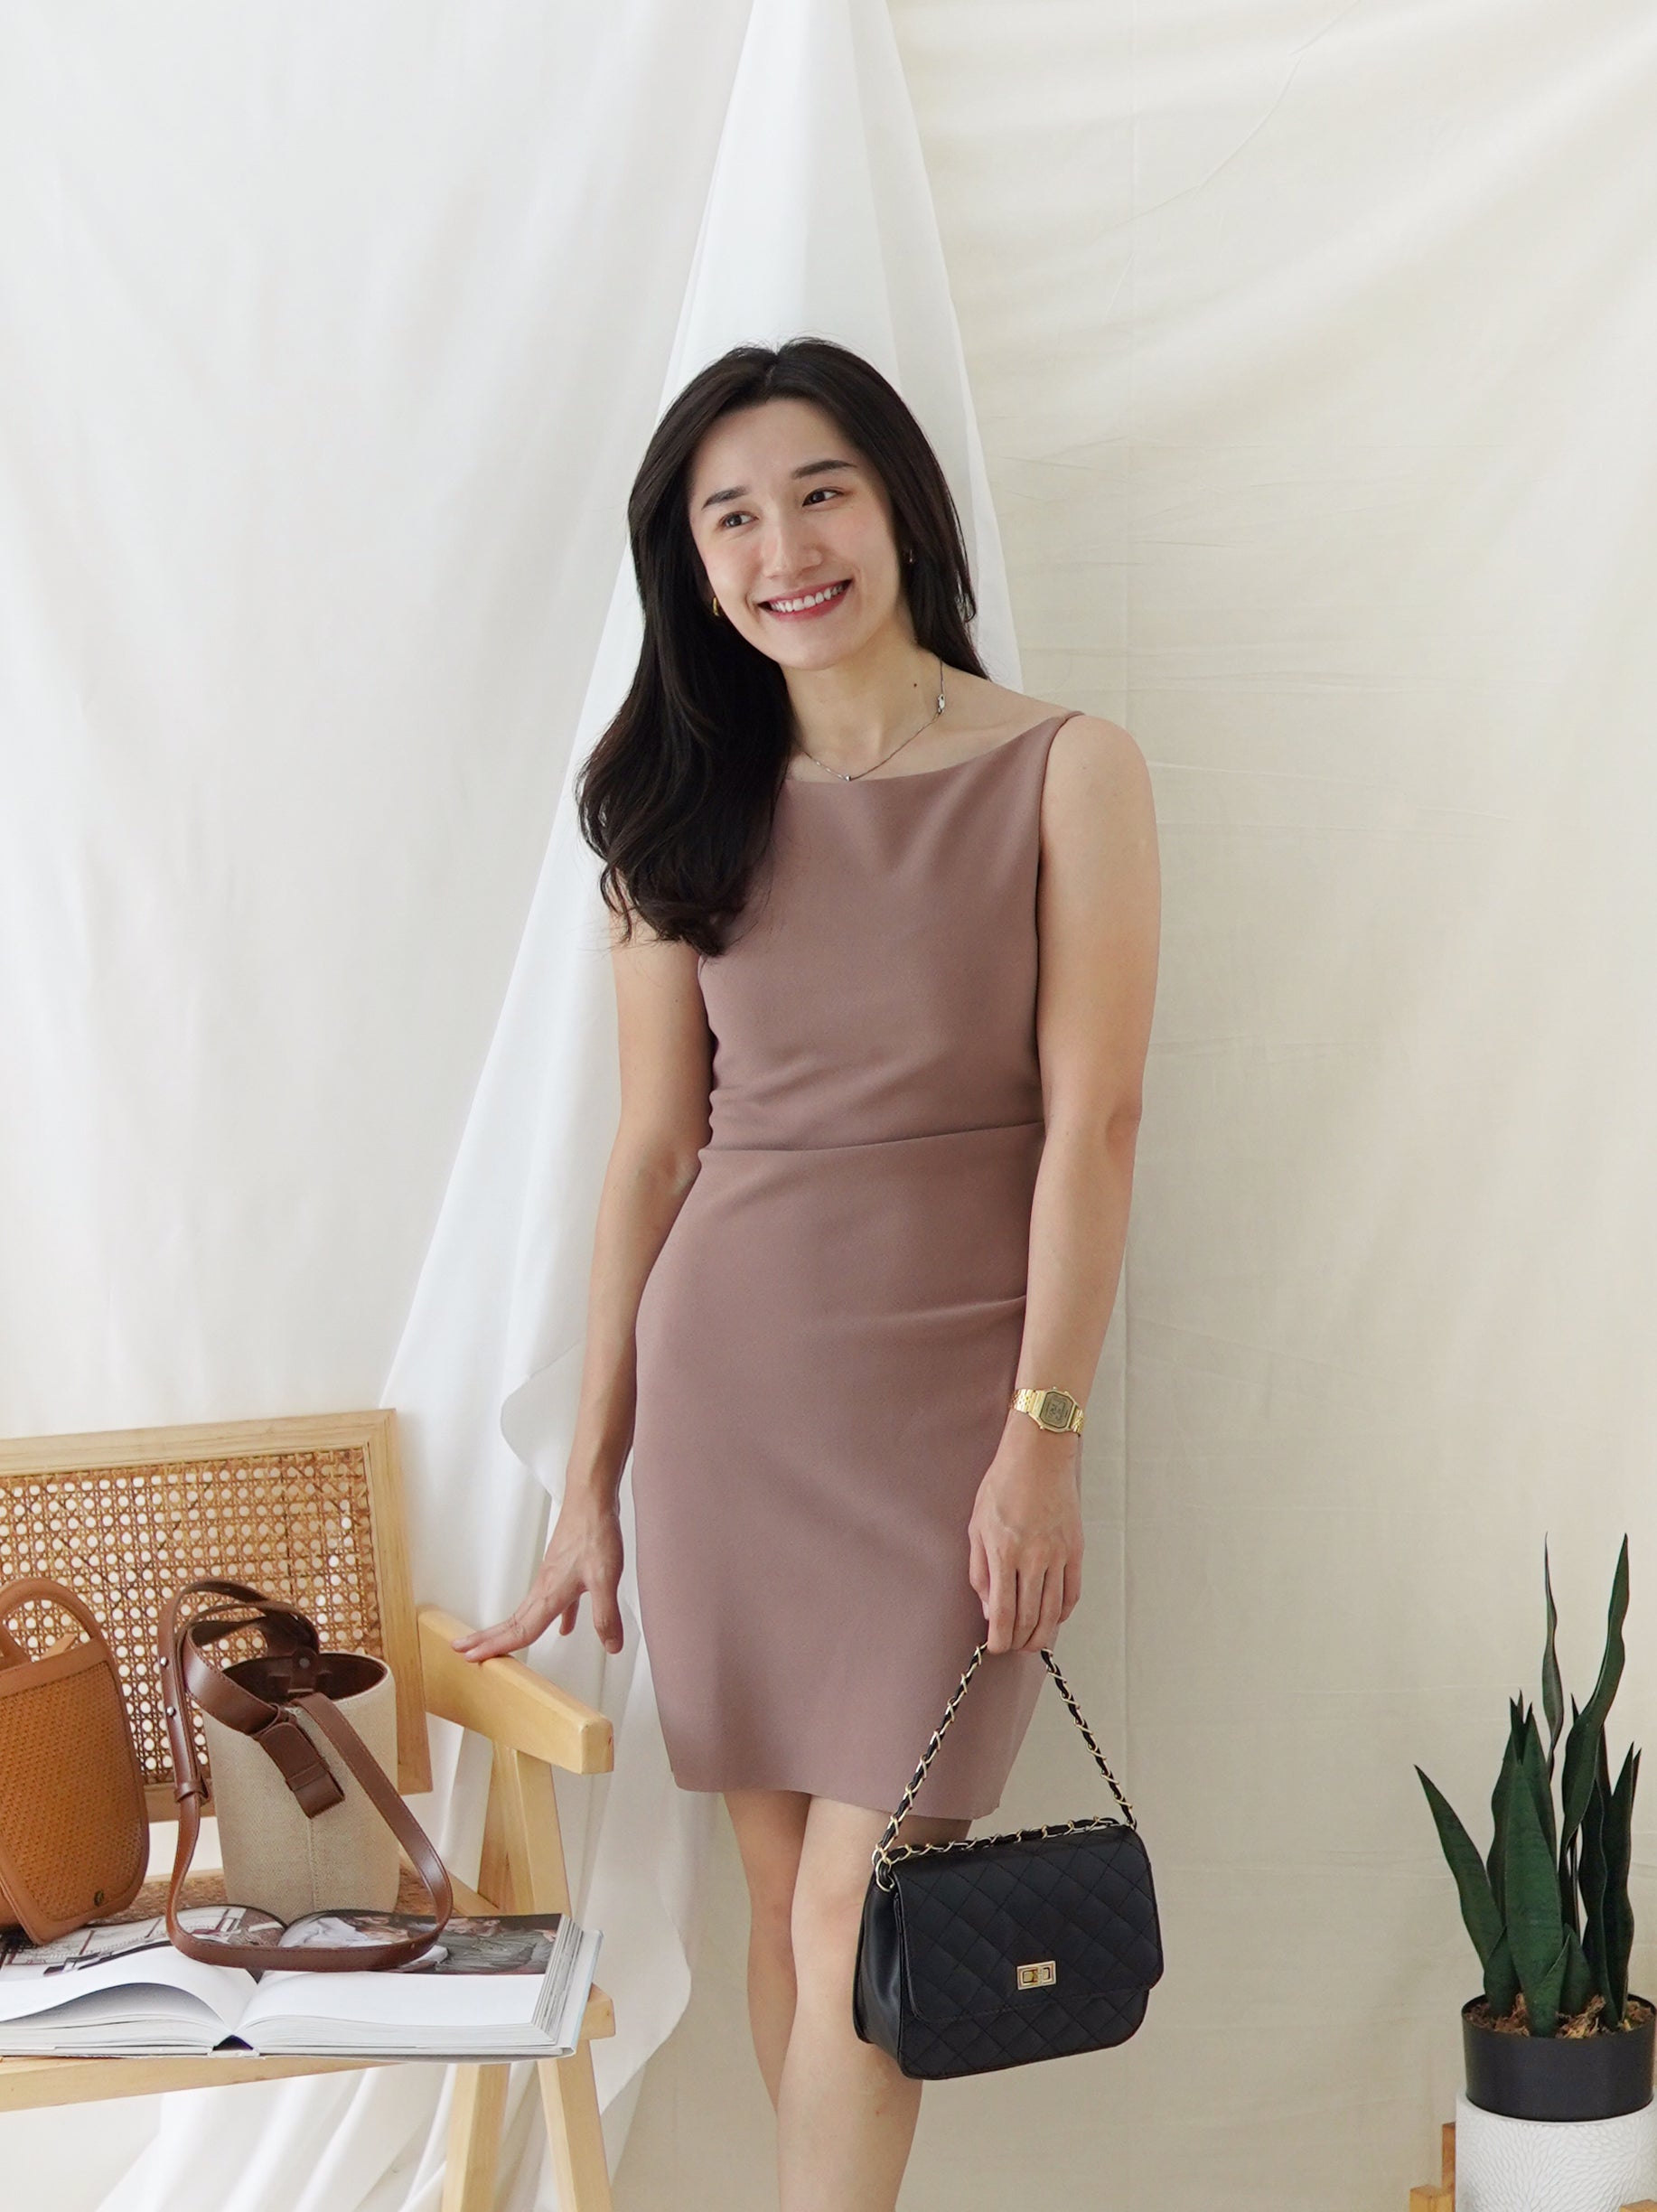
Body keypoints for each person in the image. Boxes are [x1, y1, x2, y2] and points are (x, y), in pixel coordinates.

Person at [454, 334, 1160, 2209]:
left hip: (957, 1407)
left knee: (862, 1898)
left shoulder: (1064, 768)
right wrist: (588, 1482)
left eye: (819, 493)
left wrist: (1041, 1438)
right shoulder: (673, 806)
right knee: (786, 1902)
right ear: (691, 567)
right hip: (732, 1403)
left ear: (898, 506)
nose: (785, 549)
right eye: (732, 518)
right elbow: (650, 1153)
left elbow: (1093, 1126)